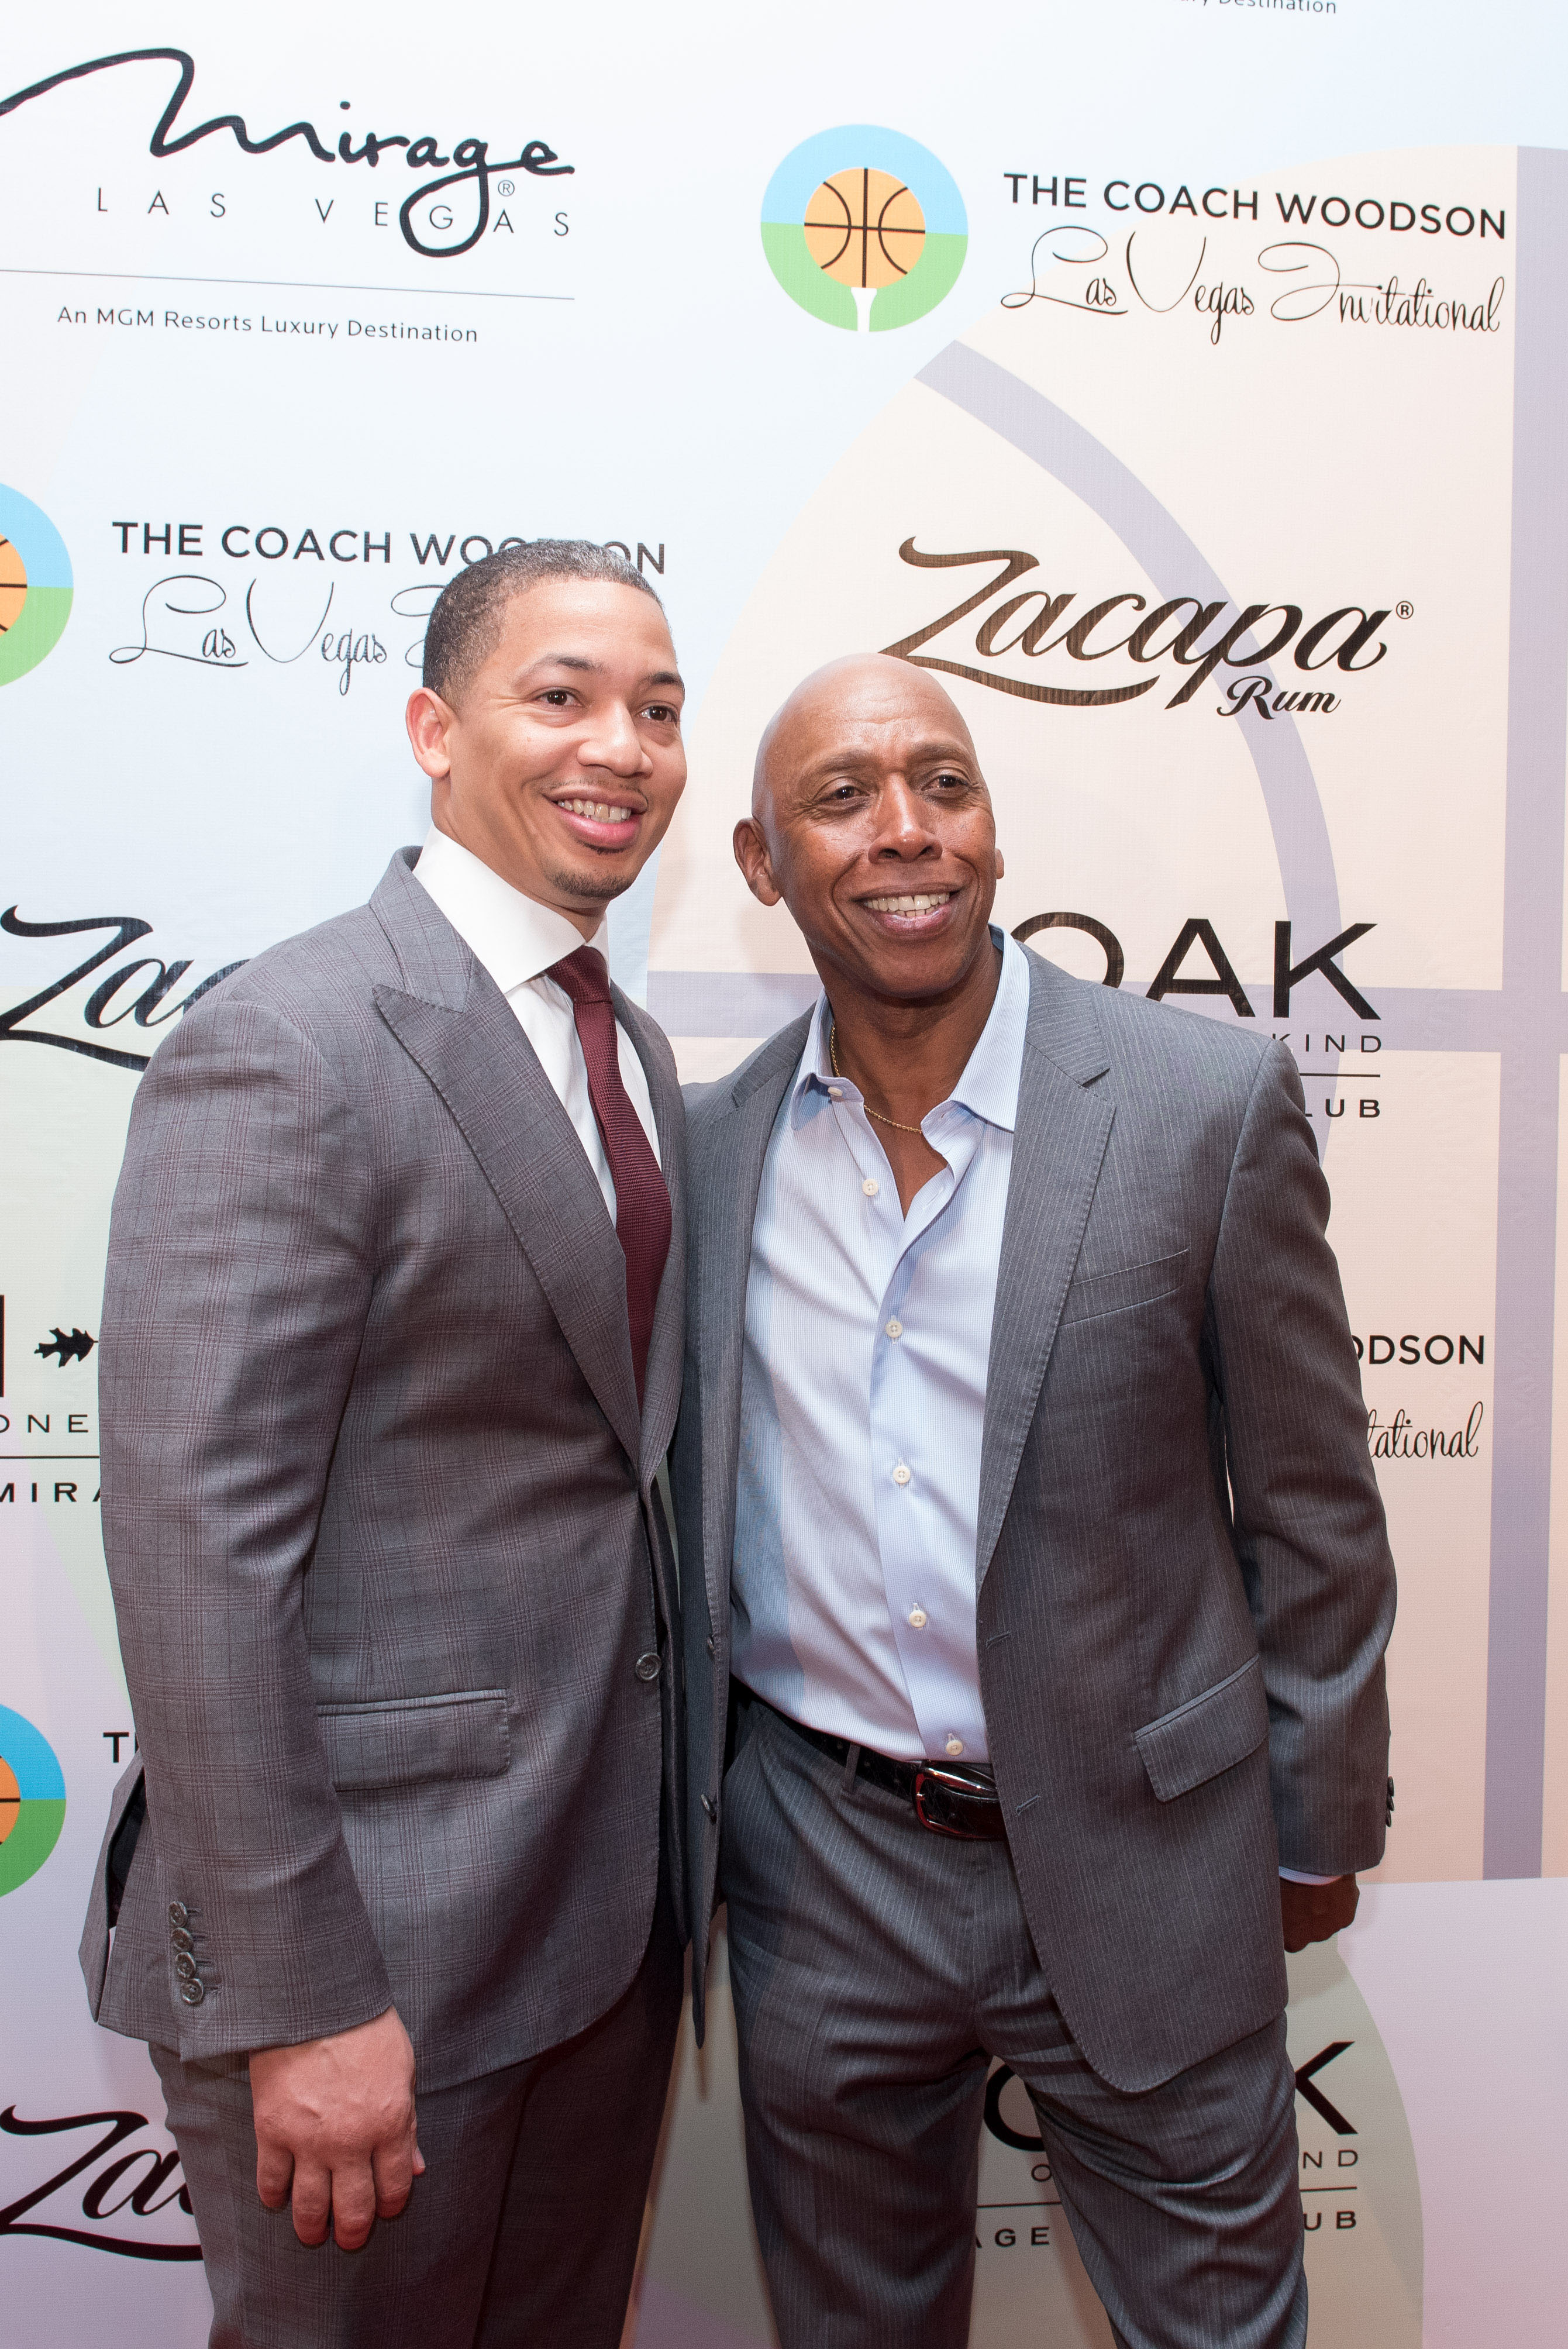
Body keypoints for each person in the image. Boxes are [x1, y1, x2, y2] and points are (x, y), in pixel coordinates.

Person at [671, 653, 1396, 2349]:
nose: (905, 831)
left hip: (1152, 1855)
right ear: (763, 861)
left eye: (944, 782)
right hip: (820, 1864)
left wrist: (1308, 1825)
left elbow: (1314, 1506)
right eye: (841, 799)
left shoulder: (1197, 1107)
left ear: (992, 831)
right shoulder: (709, 1155)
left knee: (1218, 2330)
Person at [80, 541, 690, 2347]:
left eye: (657, 708)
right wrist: (301, 2000)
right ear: (435, 729)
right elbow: (199, 1557)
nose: (622, 745)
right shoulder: (291, 1039)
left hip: (595, 1931)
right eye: (562, 695)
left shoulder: (629, 1048)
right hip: (371, 1959)